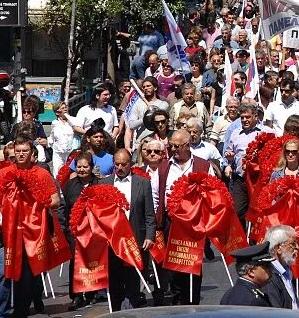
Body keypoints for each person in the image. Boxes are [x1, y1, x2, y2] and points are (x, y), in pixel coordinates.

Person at [0, 137, 60, 318]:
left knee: (26, 275)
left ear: (32, 154)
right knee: (3, 272)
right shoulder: (4, 173)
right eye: (17, 151)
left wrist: (39, 199)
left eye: (24, 151)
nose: (20, 154)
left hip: (31, 233)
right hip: (7, 232)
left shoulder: (42, 174)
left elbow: (56, 201)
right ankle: (0, 313)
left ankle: (21, 311)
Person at [151, 129, 213, 305]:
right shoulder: (164, 167)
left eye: (177, 146)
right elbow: (155, 194)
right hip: (172, 223)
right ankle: (178, 302)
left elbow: (212, 193)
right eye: (171, 146)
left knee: (193, 265)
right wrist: (159, 217)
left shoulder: (203, 166)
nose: (173, 149)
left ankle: (193, 303)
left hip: (195, 224)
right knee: (174, 266)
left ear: (187, 145)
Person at [99, 149, 156, 311]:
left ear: (130, 164)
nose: (120, 167)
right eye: (116, 164)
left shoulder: (143, 183)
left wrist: (150, 236)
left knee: (133, 282)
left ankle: (129, 312)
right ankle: (116, 312)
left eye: (124, 164)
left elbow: (149, 213)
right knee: (115, 282)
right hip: (113, 243)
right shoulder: (104, 184)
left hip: (135, 240)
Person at [223, 102, 273, 227]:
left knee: (259, 214)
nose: (244, 120)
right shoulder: (235, 134)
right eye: (242, 117)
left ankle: (256, 244)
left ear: (256, 116)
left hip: (260, 181)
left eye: (247, 117)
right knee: (237, 212)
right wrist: (229, 160)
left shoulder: (267, 132)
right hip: (241, 180)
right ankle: (241, 244)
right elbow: (229, 154)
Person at [61, 152, 98, 310]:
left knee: (91, 261)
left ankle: (90, 292)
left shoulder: (99, 183)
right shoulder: (70, 185)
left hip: (92, 230)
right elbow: (64, 208)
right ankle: (76, 295)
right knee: (75, 262)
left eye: (85, 166)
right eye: (79, 167)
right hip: (74, 231)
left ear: (91, 167)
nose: (82, 169)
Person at [219, 241, 275, 306]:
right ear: (251, 272)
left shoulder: (229, 294)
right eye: (267, 266)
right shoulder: (253, 300)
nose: (271, 269)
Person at [263, 225, 299, 310]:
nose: (297, 248)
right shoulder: (269, 276)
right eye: (293, 244)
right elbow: (276, 312)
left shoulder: (286, 271)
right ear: (278, 248)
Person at [48, 101, 79, 175]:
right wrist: (48, 143)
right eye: (62, 108)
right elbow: (52, 136)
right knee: (58, 173)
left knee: (70, 173)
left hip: (71, 152)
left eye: (65, 107)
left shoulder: (73, 120)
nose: (65, 109)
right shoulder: (54, 123)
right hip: (58, 153)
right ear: (57, 112)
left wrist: (69, 118)